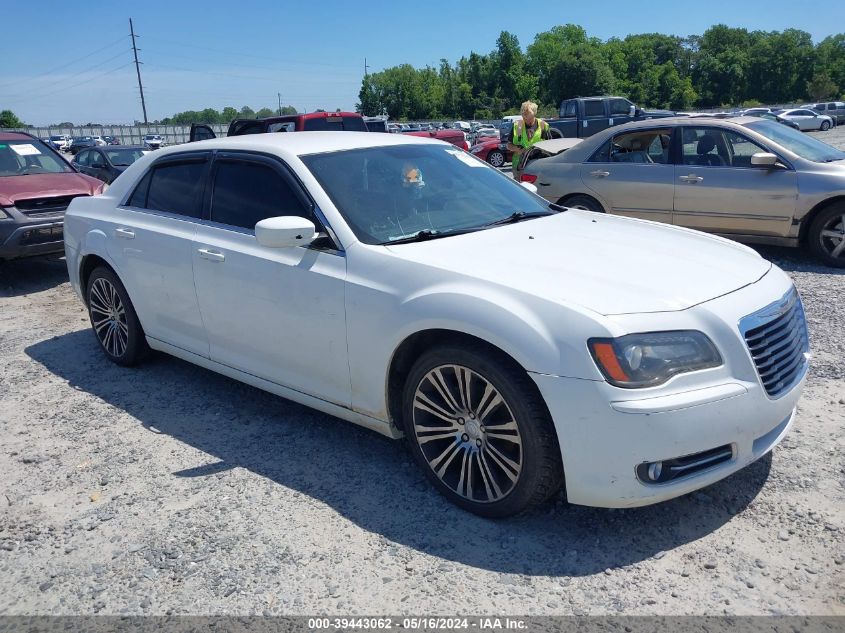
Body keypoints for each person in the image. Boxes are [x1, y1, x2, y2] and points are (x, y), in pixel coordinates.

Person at [506, 100, 553, 175]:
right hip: (519, 167)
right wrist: (516, 149)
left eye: (527, 114)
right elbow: (508, 145)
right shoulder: (517, 125)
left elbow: (550, 146)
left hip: (538, 166)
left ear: (534, 113)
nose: (524, 116)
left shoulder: (543, 125)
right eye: (523, 113)